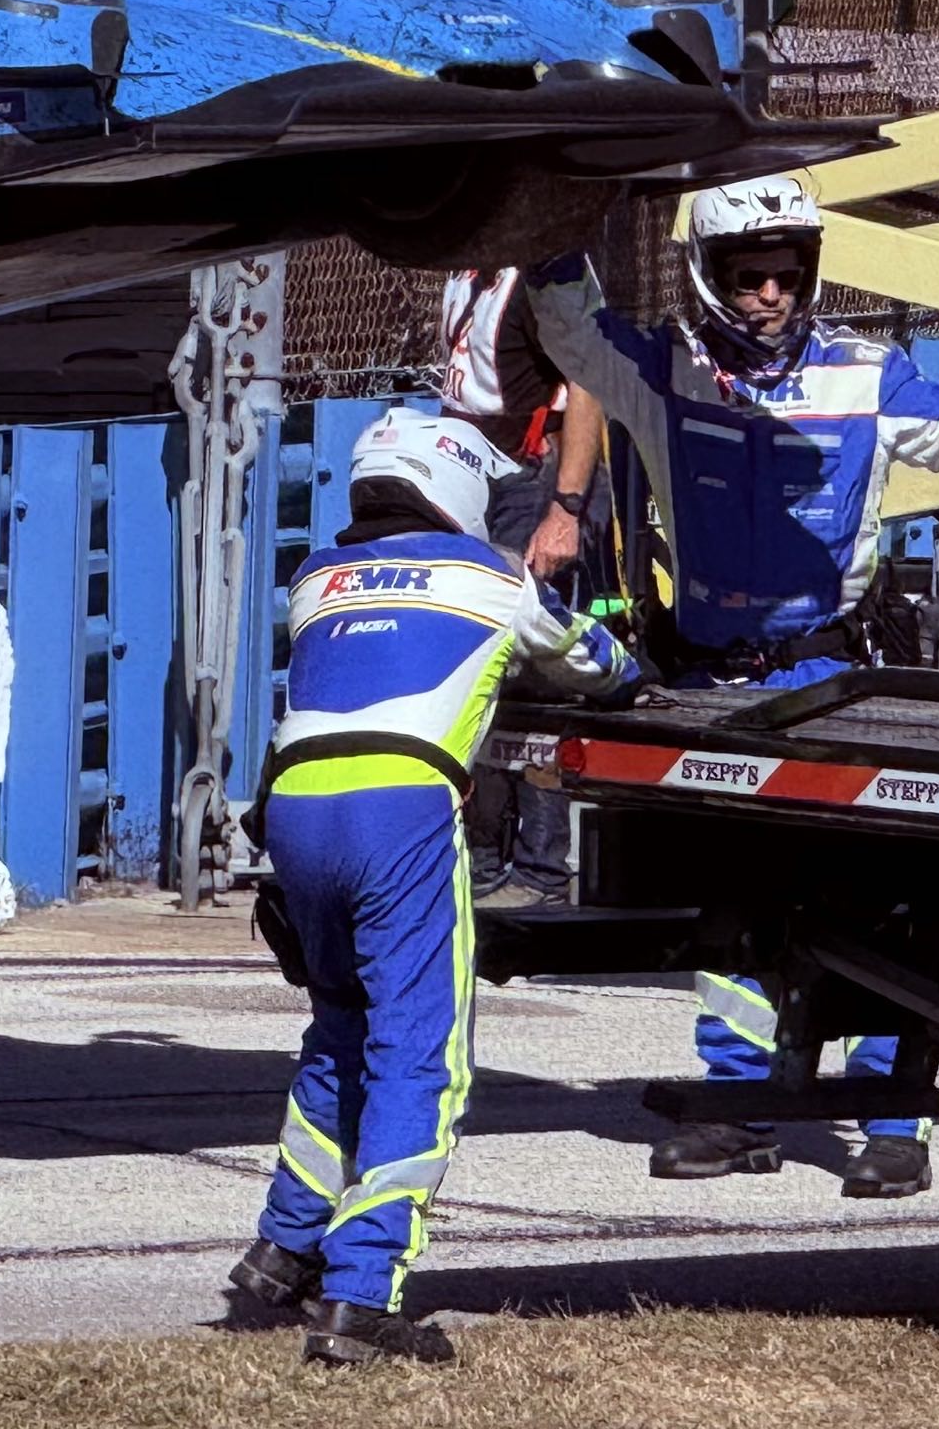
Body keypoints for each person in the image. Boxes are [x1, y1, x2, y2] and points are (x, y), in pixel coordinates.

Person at [530, 175, 939, 1198]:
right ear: (707, 275)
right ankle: (741, 1108)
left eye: (787, 274)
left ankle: (893, 1123)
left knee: (877, 899)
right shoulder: (667, 369)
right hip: (715, 685)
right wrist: (545, 214)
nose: (771, 294)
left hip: (835, 676)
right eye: (749, 276)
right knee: (738, 900)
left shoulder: (866, 370)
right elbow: (573, 336)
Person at [226, 407, 633, 1368]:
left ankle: (283, 1247)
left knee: (340, 1030)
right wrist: (621, 656)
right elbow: (593, 663)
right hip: (400, 808)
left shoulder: (315, 578)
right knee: (420, 1056)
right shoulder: (491, 576)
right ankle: (362, 1295)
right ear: (453, 488)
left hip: (295, 811)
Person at [438, 266, 610, 909]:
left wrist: (564, 509)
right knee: (477, 669)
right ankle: (482, 858)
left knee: (536, 671)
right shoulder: (467, 270)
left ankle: (540, 869)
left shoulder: (543, 277)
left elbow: (587, 381)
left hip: (535, 480)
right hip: (481, 479)